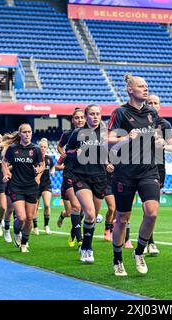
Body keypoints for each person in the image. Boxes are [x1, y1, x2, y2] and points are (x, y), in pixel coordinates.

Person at [108, 74, 161, 276]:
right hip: (125, 172)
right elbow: (108, 139)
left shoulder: (151, 113)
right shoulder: (120, 113)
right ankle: (117, 259)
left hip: (148, 170)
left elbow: (157, 134)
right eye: (141, 86)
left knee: (152, 212)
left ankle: (139, 252)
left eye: (147, 86)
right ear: (130, 90)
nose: (145, 89)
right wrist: (126, 136)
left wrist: (158, 140)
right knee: (122, 218)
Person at [66, 104, 109, 263]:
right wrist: (75, 154)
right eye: (92, 114)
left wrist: (108, 163)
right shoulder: (77, 133)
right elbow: (67, 152)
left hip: (100, 178)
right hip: (81, 177)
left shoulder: (105, 134)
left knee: (92, 217)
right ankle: (87, 250)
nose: (95, 116)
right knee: (90, 213)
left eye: (98, 114)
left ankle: (85, 245)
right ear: (86, 116)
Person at [2, 124, 44, 253]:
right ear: (19, 134)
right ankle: (15, 232)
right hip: (16, 186)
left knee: (30, 218)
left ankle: (24, 243)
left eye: (29, 132)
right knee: (21, 217)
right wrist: (6, 173)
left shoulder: (36, 149)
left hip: (31, 187)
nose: (27, 134)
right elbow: (4, 162)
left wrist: (39, 170)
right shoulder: (13, 148)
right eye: (24, 132)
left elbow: (42, 165)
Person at [144, 94, 172, 255]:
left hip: (157, 168)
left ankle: (150, 242)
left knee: (152, 208)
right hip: (137, 166)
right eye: (149, 102)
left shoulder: (165, 124)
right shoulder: (137, 121)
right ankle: (126, 235)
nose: (152, 105)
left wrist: (163, 144)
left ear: (159, 106)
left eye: (155, 102)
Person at [57, 108, 86, 247]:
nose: (80, 120)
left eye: (82, 117)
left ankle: (74, 232)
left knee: (83, 210)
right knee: (76, 206)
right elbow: (59, 146)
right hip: (69, 172)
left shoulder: (90, 134)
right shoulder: (68, 134)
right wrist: (64, 154)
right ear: (72, 120)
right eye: (77, 118)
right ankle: (81, 241)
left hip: (85, 174)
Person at [33, 138, 55, 235]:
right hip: (35, 185)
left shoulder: (49, 158)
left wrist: (53, 170)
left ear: (47, 148)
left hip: (46, 184)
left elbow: (53, 166)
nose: (42, 148)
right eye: (41, 147)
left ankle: (46, 225)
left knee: (47, 204)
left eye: (44, 147)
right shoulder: (34, 158)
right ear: (38, 147)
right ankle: (35, 226)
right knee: (35, 207)